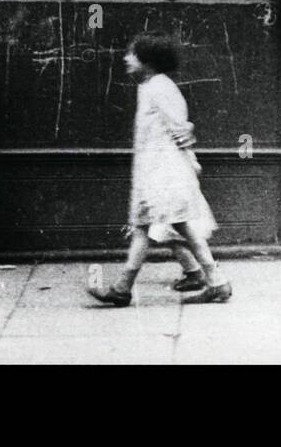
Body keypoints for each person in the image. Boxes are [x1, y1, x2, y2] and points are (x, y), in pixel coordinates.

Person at [88, 33, 232, 306]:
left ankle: (122, 288)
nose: (126, 58)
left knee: (148, 226)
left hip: (163, 172)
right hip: (156, 170)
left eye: (132, 54)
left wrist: (188, 147)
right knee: (171, 226)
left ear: (148, 61)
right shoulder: (152, 86)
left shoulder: (158, 87)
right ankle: (216, 282)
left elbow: (181, 128)